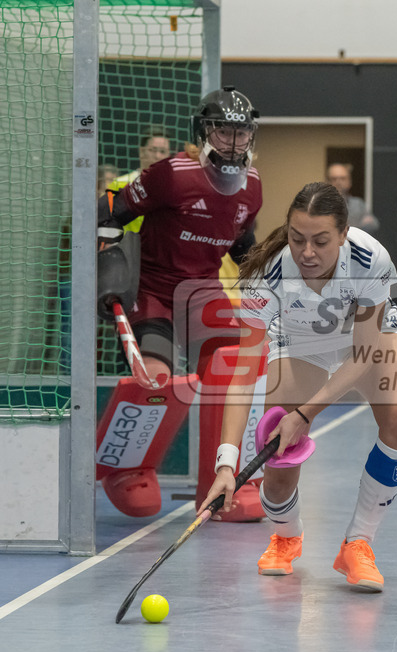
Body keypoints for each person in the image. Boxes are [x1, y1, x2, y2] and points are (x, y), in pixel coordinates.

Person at [200, 181, 397, 592]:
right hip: (301, 340)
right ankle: (285, 536)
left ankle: (358, 544)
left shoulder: (371, 258)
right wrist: (226, 465)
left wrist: (305, 414)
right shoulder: (268, 275)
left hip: (364, 338)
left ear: (344, 234)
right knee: (279, 464)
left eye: (321, 241)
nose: (307, 252)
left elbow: (365, 354)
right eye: (298, 239)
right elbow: (244, 373)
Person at [95, 86, 263, 519]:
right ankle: (127, 470)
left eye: (240, 132)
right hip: (153, 291)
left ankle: (225, 480)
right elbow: (111, 208)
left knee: (240, 363)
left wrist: (268, 278)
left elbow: (242, 244)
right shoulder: (173, 174)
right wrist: (106, 251)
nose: (231, 140)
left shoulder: (253, 189)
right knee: (157, 378)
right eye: (221, 130)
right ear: (203, 131)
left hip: (203, 292)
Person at [326, 162, 380, 235]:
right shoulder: (320, 204)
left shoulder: (358, 203)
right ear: (327, 182)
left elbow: (373, 224)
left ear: (349, 182)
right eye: (334, 179)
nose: (338, 182)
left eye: (343, 178)